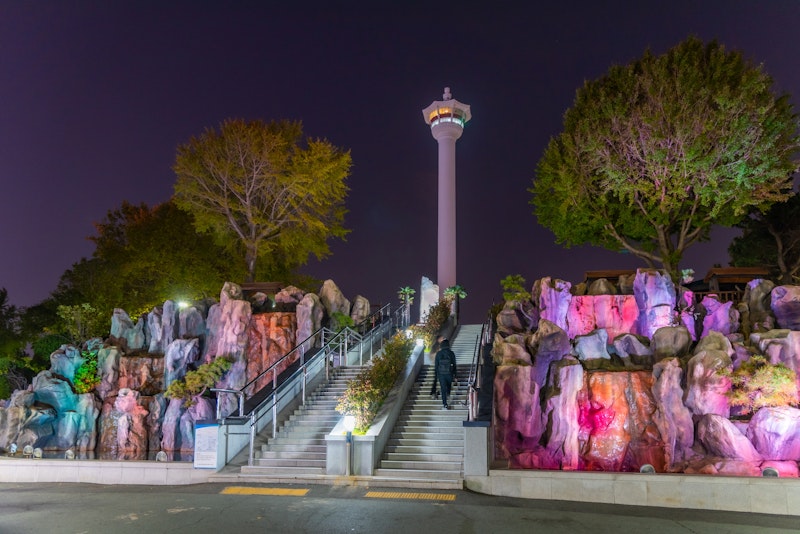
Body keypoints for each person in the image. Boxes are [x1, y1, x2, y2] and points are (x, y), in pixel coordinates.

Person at [433, 338, 457, 410]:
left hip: (441, 374)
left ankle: (445, 404)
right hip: (449, 373)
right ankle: (448, 394)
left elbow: (436, 365)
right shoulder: (451, 353)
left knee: (443, 388)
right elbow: (454, 364)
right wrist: (455, 374)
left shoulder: (438, 353)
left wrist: (437, 374)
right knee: (449, 385)